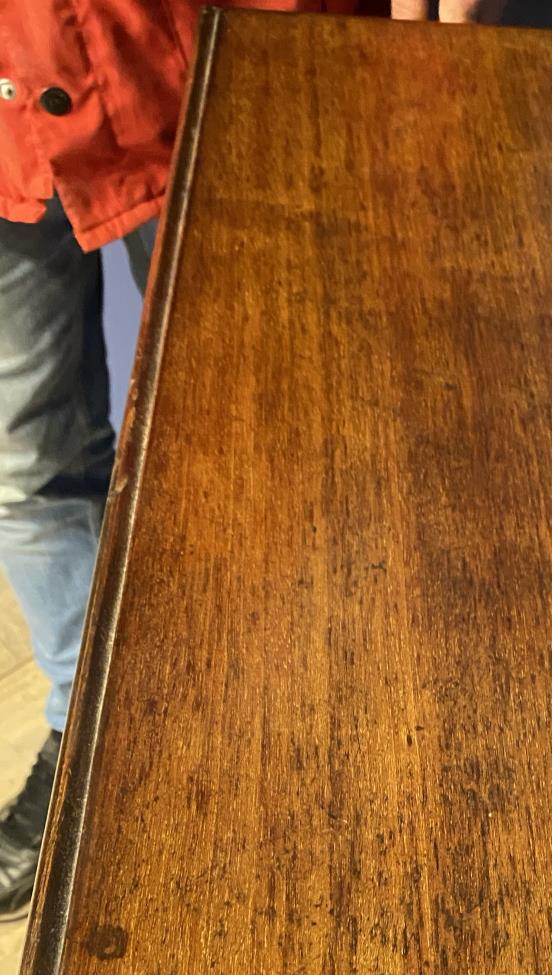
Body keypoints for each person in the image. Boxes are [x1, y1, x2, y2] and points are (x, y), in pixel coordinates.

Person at [0, 0, 499, 921]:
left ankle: (306, 736)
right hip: (6, 110)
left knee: (286, 431)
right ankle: (86, 741)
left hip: (200, 50)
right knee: (27, 461)